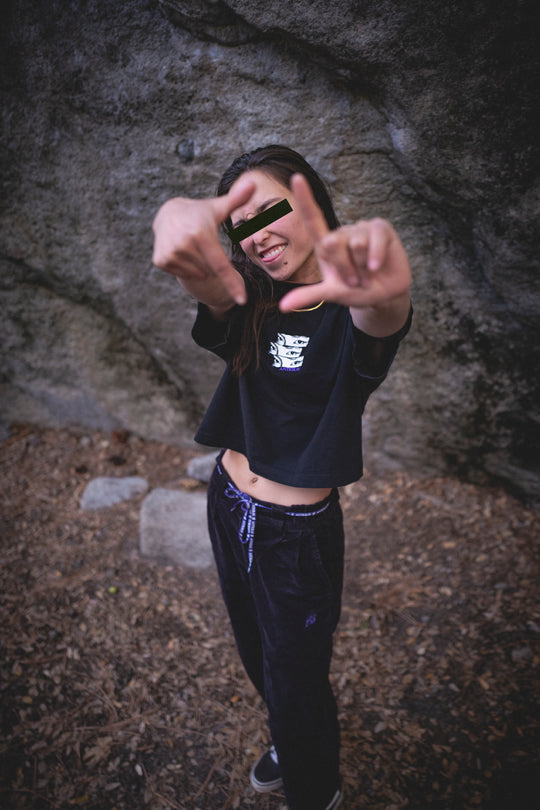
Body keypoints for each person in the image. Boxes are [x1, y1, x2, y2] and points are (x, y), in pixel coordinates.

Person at [152, 145, 412, 810]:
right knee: (258, 651)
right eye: (241, 223)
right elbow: (215, 297)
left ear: (313, 201)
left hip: (293, 534)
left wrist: (391, 299)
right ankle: (288, 737)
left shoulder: (346, 302)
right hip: (228, 499)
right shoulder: (249, 299)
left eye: (270, 207)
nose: (258, 232)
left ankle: (314, 786)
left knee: (299, 677)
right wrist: (190, 259)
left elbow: (378, 319)